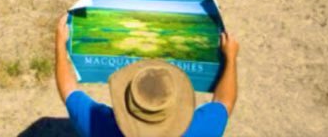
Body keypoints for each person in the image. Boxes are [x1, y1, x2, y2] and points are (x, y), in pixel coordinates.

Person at [56, 14, 239, 137]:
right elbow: (224, 102)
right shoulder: (201, 129)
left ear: (128, 102)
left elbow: (68, 91)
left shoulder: (99, 126)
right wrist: (230, 58)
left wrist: (60, 45)